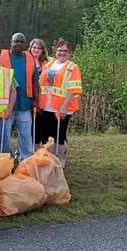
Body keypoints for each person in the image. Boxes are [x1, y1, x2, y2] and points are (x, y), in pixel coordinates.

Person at [39, 39, 82, 168]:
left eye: (65, 51)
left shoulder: (72, 68)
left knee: (60, 134)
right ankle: (50, 158)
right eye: (59, 50)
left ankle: (62, 159)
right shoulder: (49, 64)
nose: (61, 53)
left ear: (69, 53)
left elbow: (74, 89)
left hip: (61, 107)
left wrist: (64, 106)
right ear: (55, 51)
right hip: (46, 105)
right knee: (47, 135)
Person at [0, 33, 39, 161]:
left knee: (26, 135)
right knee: (4, 135)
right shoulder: (1, 57)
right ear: (10, 42)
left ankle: (25, 160)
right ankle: (6, 160)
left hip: (25, 104)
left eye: (22, 42)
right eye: (16, 41)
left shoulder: (29, 58)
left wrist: (36, 101)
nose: (19, 44)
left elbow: (35, 81)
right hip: (6, 105)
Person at [28, 38, 52, 150]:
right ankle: (33, 151)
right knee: (32, 128)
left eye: (39, 48)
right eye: (34, 47)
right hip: (30, 99)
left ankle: (46, 153)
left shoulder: (49, 62)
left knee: (45, 129)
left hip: (45, 101)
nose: (36, 50)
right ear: (30, 48)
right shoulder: (26, 60)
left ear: (43, 50)